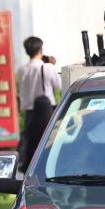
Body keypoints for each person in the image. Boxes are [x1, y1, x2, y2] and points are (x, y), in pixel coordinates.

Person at [17, 35, 62, 173]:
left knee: (31, 143)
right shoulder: (47, 67)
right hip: (46, 111)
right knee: (47, 144)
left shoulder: (22, 70)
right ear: (41, 49)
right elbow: (59, 86)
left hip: (30, 112)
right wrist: (52, 66)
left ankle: (29, 170)